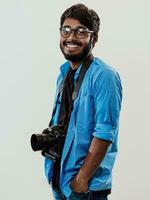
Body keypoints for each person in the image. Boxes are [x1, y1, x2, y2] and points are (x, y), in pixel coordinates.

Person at [44, 3, 122, 200]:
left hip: (86, 190)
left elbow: (105, 132)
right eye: (66, 30)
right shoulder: (64, 74)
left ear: (93, 38)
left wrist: (81, 181)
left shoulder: (104, 75)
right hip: (61, 181)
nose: (71, 37)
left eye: (80, 32)